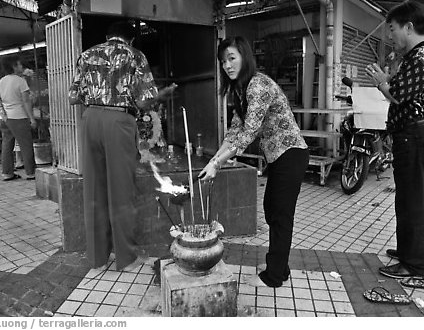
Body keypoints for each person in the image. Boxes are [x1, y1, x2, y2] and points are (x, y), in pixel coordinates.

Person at [198, 36, 309, 288]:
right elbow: (234, 132)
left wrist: (218, 164)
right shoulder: (239, 89)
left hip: (291, 154)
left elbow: (248, 133)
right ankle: (280, 266)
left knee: (280, 215)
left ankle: (274, 276)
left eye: (232, 58)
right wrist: (214, 161)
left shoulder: (257, 85)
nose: (227, 65)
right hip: (278, 157)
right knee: (272, 209)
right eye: (223, 61)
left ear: (244, 57)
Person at [69, 20, 177, 272]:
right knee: (121, 191)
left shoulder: (86, 55)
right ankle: (125, 258)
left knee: (93, 190)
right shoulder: (134, 56)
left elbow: (73, 96)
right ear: (131, 39)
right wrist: (164, 93)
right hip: (118, 121)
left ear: (108, 35)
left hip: (90, 120)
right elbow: (144, 101)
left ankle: (96, 258)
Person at [366, 1, 424, 279]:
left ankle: (413, 265)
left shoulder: (421, 57)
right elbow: (402, 90)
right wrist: (388, 80)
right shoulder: (423, 55)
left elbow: (397, 94)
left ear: (409, 27)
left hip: (416, 135)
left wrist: (380, 81)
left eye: (392, 29)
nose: (390, 36)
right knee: (410, 199)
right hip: (417, 135)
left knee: (412, 201)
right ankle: (407, 250)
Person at [0, 56, 37, 181]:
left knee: (7, 145)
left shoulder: (1, 81)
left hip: (4, 119)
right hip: (19, 118)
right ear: (13, 66)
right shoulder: (20, 81)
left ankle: (7, 173)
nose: (21, 67)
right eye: (19, 64)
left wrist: (1, 110)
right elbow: (26, 101)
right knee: (26, 144)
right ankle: (30, 172)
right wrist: (32, 119)